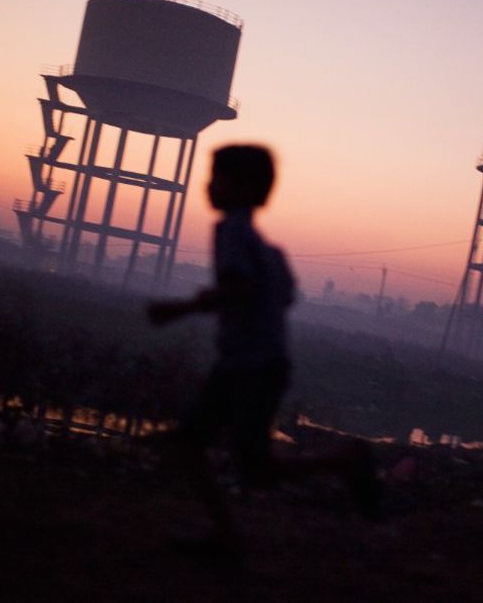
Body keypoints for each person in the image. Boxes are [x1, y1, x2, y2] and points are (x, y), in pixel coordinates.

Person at [148, 144, 378, 557]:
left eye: (217, 176)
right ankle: (226, 536)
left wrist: (179, 308)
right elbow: (285, 296)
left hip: (250, 368)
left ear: (242, 186)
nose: (208, 185)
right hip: (253, 363)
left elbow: (240, 288)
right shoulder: (270, 252)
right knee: (200, 448)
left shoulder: (231, 231)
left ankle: (345, 458)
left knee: (249, 467)